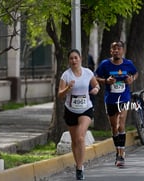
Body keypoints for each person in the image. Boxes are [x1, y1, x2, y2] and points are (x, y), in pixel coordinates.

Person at [58, 49, 100, 180]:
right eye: (71, 58)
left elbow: (96, 84)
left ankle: (80, 168)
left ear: (80, 58)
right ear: (68, 60)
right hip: (70, 110)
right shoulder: (66, 75)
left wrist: (96, 89)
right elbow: (59, 95)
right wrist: (68, 88)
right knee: (75, 140)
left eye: (76, 58)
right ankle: (78, 164)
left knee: (81, 137)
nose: (74, 60)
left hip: (86, 109)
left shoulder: (87, 73)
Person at [95, 41, 138, 167]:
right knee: (114, 127)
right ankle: (117, 151)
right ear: (111, 51)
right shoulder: (105, 64)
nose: (116, 51)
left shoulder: (128, 64)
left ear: (122, 51)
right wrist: (106, 81)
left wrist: (132, 79)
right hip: (110, 99)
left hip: (124, 98)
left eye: (118, 48)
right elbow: (96, 77)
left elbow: (135, 73)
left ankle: (121, 153)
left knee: (120, 124)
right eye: (114, 49)